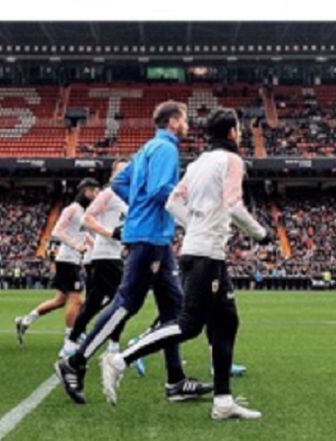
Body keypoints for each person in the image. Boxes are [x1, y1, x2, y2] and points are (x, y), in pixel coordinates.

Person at [99, 108, 269, 419]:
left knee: (226, 322)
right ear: (232, 132)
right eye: (239, 129)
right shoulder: (232, 161)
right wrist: (261, 234)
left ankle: (223, 401)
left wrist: (194, 226)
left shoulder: (198, 163)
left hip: (201, 250)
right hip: (206, 254)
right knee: (189, 324)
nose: (241, 134)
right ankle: (120, 359)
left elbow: (172, 201)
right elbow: (233, 205)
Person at [54, 100, 211, 405]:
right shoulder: (166, 148)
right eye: (185, 119)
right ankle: (75, 363)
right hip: (151, 236)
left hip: (154, 238)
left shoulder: (145, 149)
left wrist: (137, 205)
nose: (188, 124)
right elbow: (160, 190)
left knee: (174, 311)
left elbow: (117, 182)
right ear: (175, 121)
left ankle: (176, 381)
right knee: (127, 304)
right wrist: (191, 209)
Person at [15, 178, 98, 354]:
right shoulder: (72, 209)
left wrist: (93, 245)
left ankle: (25, 320)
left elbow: (83, 235)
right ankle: (71, 337)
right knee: (77, 300)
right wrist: (76, 245)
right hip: (67, 260)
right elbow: (57, 231)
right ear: (86, 191)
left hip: (73, 260)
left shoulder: (84, 211)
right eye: (94, 191)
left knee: (60, 301)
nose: (97, 195)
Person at [62, 161, 128, 368]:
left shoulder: (127, 196)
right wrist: (111, 234)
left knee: (93, 304)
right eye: (121, 170)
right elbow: (86, 221)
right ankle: (113, 348)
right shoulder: (108, 194)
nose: (126, 173)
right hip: (105, 256)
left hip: (110, 255)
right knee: (123, 301)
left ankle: (70, 344)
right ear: (112, 175)